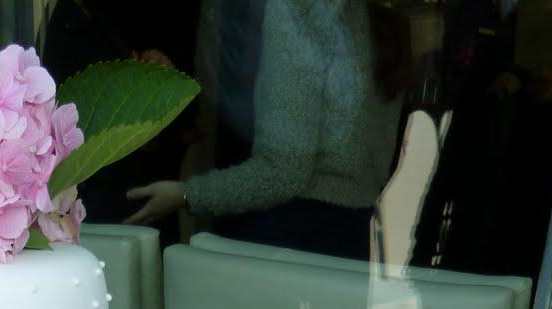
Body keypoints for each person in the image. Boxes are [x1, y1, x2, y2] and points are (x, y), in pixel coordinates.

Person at [126, 0, 407, 263]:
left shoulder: (300, 10)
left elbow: (283, 172)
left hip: (295, 236)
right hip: (360, 235)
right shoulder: (379, 15)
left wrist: (186, 194)